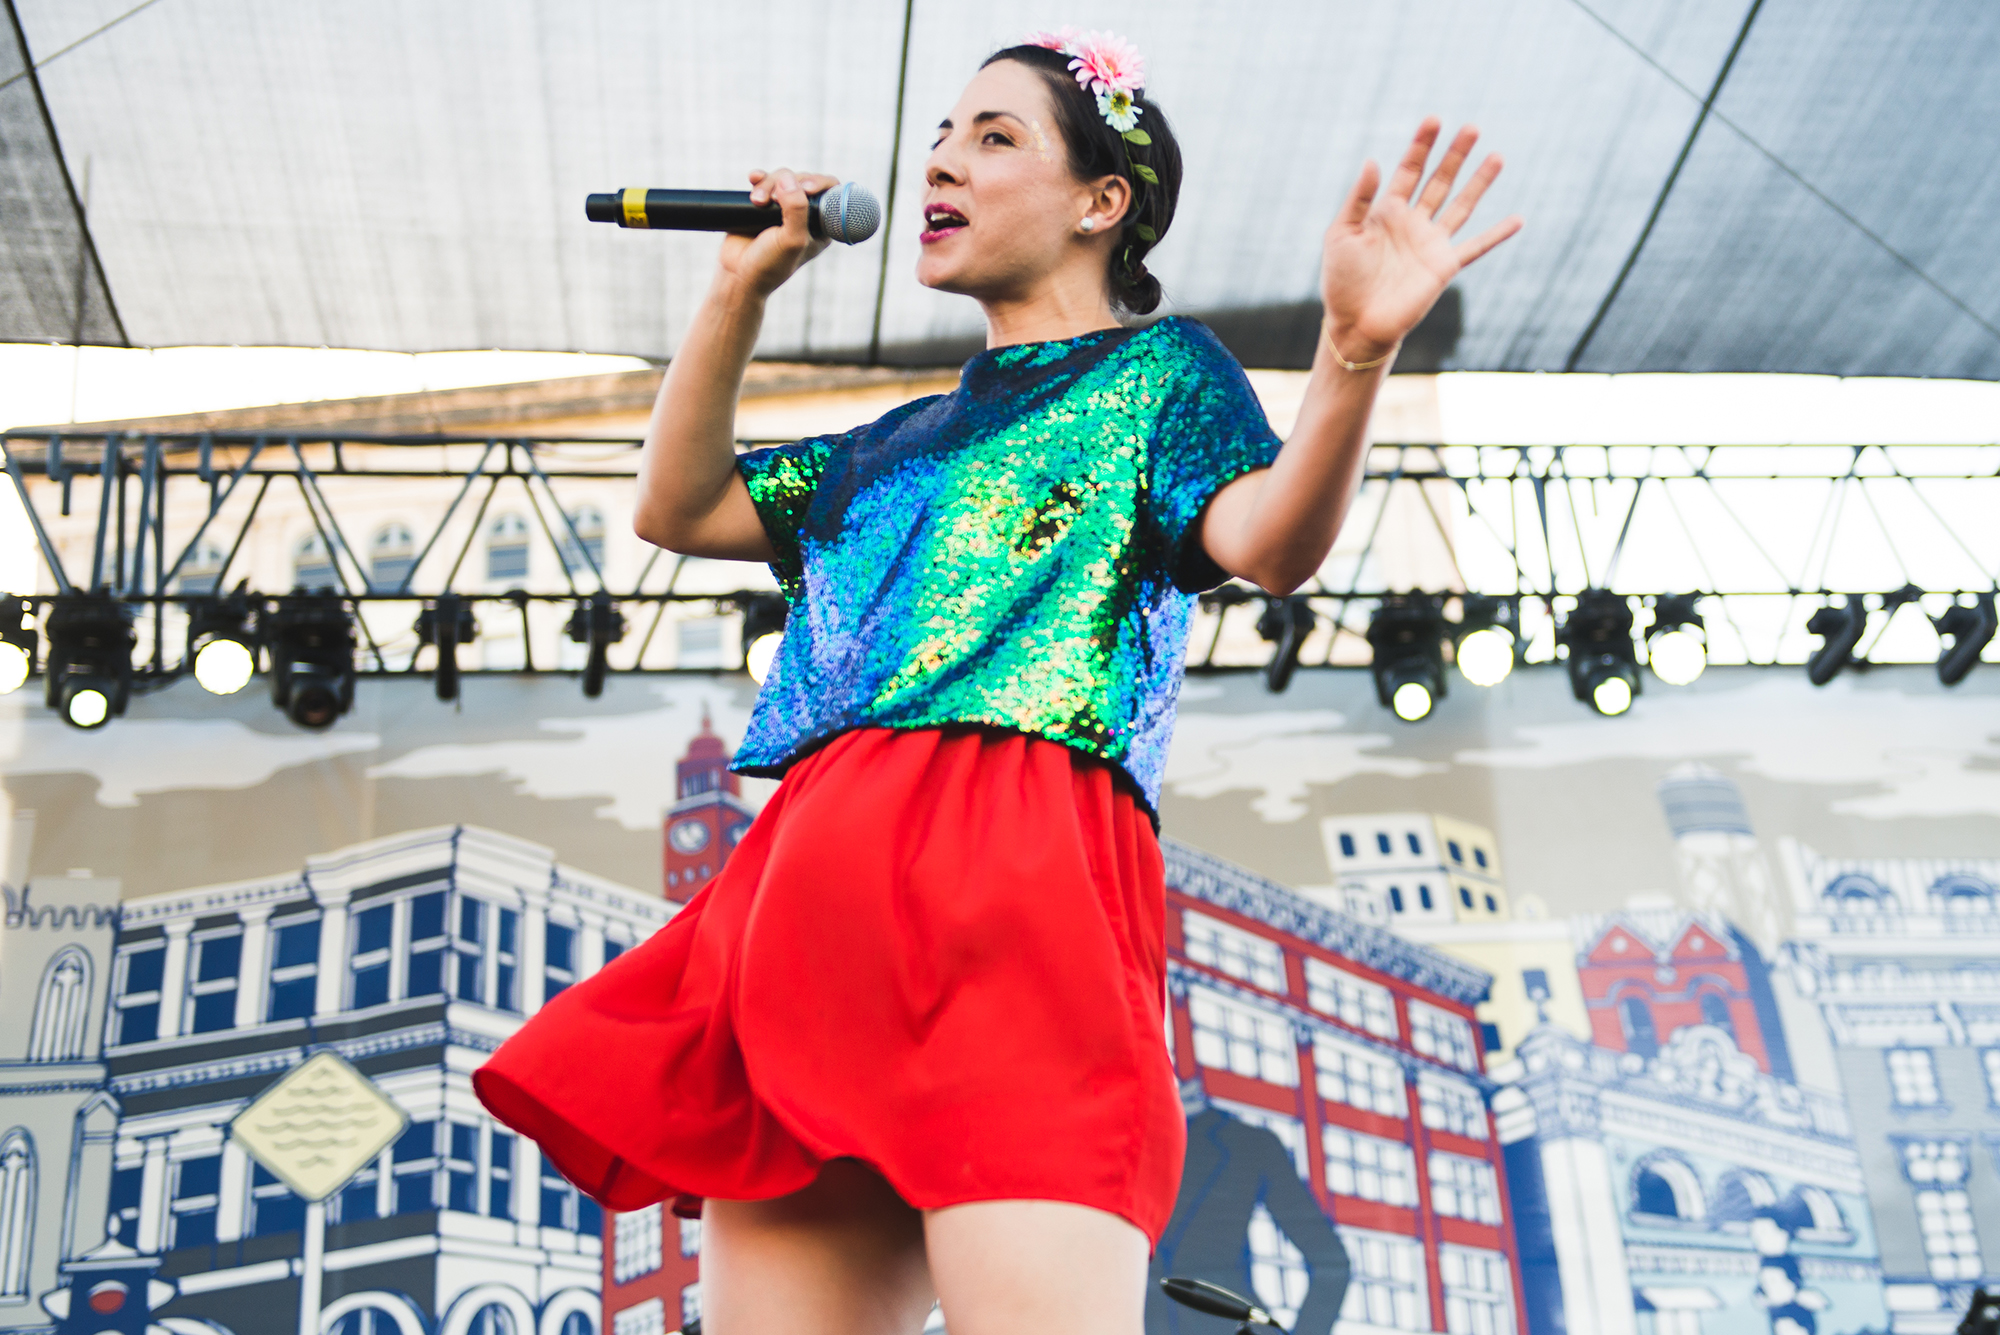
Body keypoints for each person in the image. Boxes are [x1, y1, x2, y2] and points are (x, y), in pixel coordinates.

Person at [474, 29, 1520, 1335]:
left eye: (994, 135)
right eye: (940, 139)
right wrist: (738, 291)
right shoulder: (894, 444)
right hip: (816, 891)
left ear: (1103, 202)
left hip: (1027, 889)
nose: (943, 161)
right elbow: (679, 503)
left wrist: (1354, 354)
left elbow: (1271, 545)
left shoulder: (1160, 376)